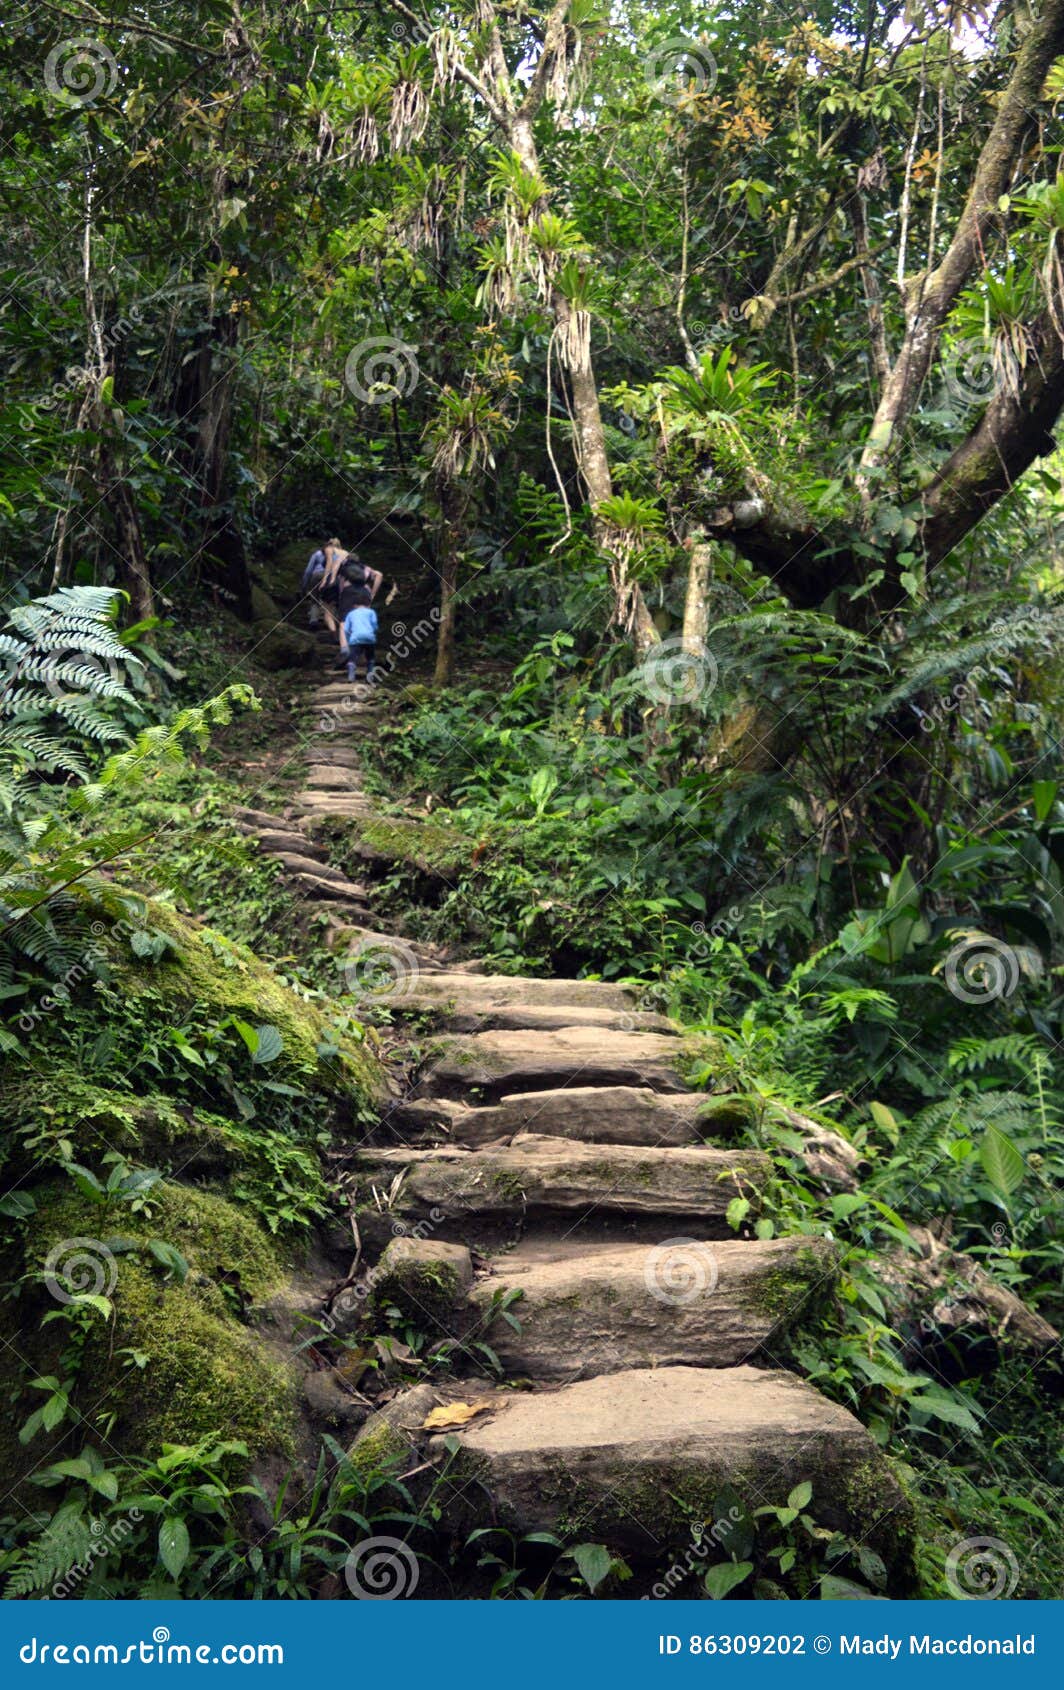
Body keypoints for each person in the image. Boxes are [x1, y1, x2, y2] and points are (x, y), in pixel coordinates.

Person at [341, 586, 378, 684]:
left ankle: (351, 676)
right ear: (368, 604)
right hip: (369, 638)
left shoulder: (351, 613)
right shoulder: (371, 612)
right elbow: (374, 625)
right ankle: (370, 676)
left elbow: (346, 629)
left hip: (355, 638)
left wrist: (349, 641)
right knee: (370, 658)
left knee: (353, 658)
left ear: (355, 605)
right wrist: (373, 633)